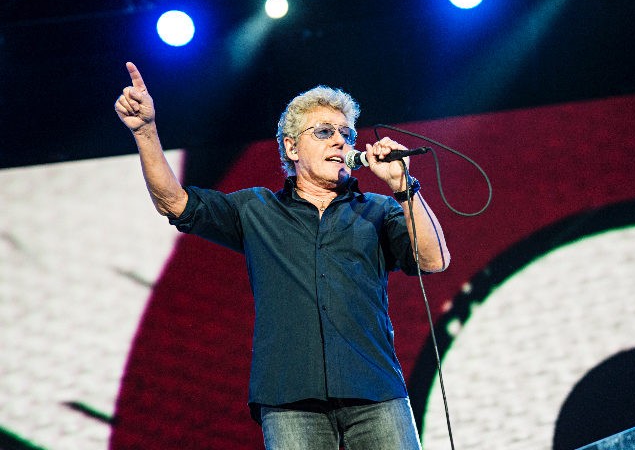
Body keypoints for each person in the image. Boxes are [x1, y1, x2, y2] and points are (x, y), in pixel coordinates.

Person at [115, 61, 450, 449]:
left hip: (376, 392)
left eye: (347, 133)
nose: (341, 141)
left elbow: (433, 260)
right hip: (289, 398)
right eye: (324, 132)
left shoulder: (378, 209)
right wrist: (145, 132)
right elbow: (174, 202)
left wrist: (404, 186)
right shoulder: (256, 210)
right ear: (291, 146)